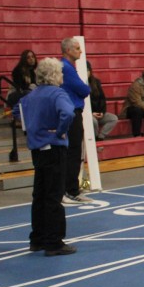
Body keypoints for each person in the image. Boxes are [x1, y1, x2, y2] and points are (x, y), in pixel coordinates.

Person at [19, 58, 76, 256]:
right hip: (54, 148)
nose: (62, 76)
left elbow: (19, 111)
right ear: (55, 74)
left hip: (37, 149)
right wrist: (60, 131)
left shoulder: (31, 95)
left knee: (40, 195)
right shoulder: (58, 93)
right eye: (60, 73)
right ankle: (53, 242)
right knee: (54, 195)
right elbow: (68, 113)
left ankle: (37, 239)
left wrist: (33, 130)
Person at [59, 37, 92, 206]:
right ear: (68, 50)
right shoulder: (66, 68)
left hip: (72, 111)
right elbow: (84, 89)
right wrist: (85, 88)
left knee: (73, 151)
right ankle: (70, 190)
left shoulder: (67, 67)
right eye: (77, 48)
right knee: (73, 152)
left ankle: (71, 188)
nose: (81, 51)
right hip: (72, 113)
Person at [87, 63, 117, 141]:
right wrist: (91, 113)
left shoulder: (96, 82)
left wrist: (102, 112)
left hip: (98, 112)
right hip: (88, 114)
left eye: (88, 70)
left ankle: (101, 136)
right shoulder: (79, 83)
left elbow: (102, 99)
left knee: (113, 118)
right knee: (93, 121)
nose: (87, 72)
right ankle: (95, 138)